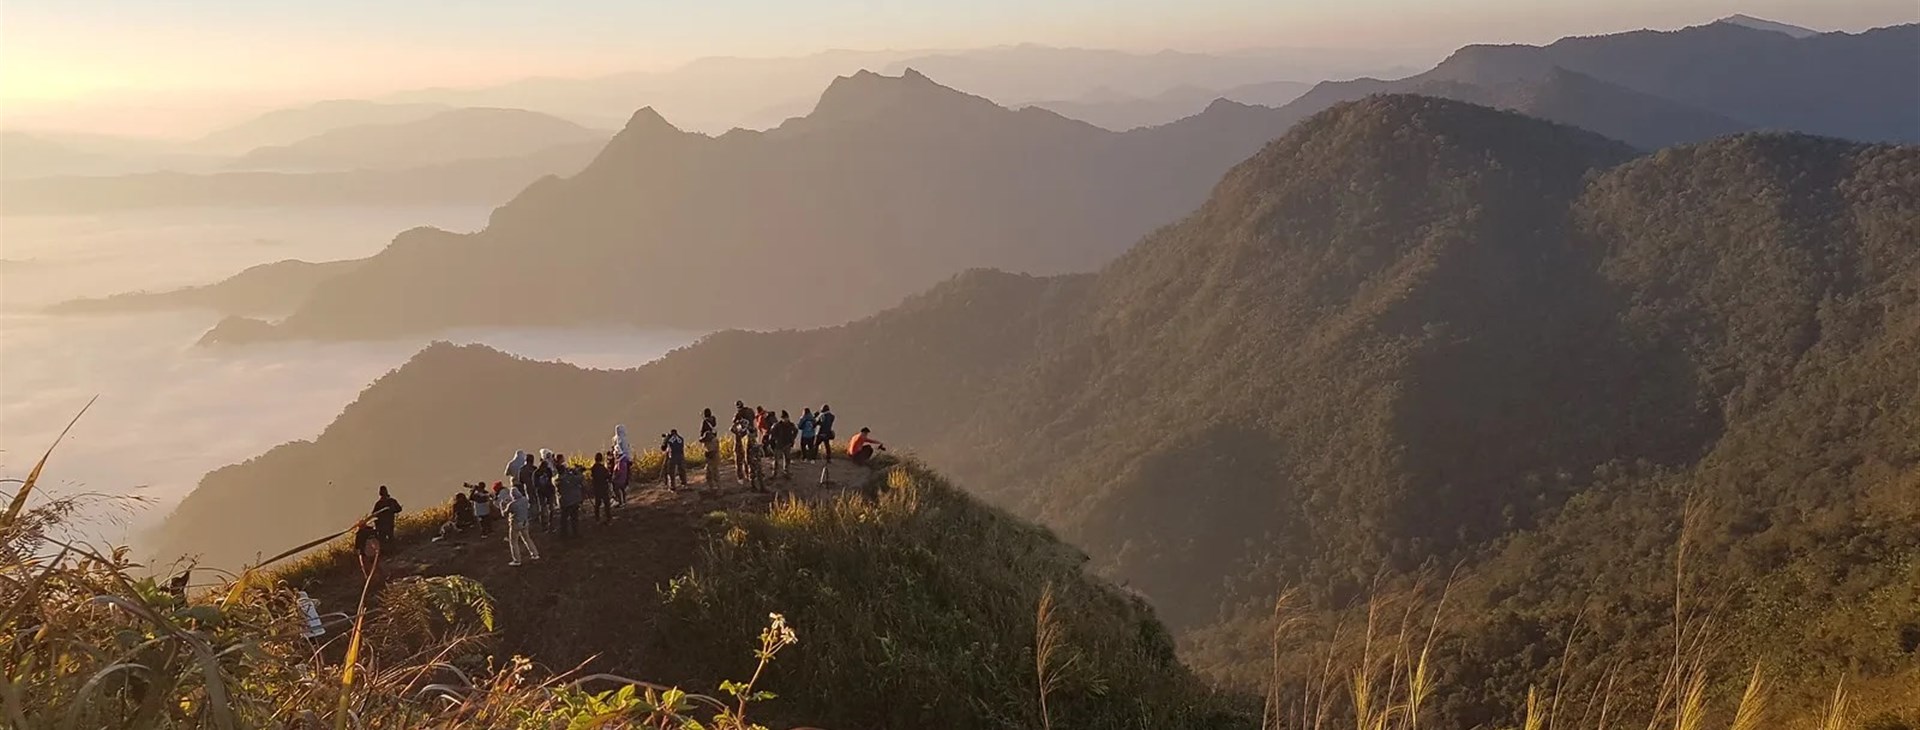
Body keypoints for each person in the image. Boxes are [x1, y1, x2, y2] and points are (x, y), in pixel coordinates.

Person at [503, 484, 540, 566]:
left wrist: (503, 505)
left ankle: (517, 560)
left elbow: (504, 514)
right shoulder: (524, 500)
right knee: (527, 538)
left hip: (515, 524)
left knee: (514, 542)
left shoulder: (512, 504)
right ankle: (535, 554)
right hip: (525, 522)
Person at [557, 460, 584, 538]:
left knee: (564, 518)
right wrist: (577, 471)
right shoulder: (569, 478)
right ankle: (575, 533)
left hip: (564, 501)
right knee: (574, 518)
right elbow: (580, 478)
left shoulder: (557, 479)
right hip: (573, 501)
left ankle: (564, 534)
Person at [532, 453, 557, 531]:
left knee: (550, 508)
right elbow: (535, 484)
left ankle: (550, 523)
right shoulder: (536, 473)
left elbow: (549, 480)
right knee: (543, 508)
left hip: (547, 491)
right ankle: (544, 524)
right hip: (542, 492)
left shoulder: (546, 471)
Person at [770, 411, 798, 478]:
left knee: (787, 459)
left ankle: (786, 472)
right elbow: (772, 433)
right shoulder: (777, 425)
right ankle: (774, 473)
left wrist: (792, 439)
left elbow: (796, 431)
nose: (786, 419)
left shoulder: (791, 425)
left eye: (786, 418)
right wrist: (774, 441)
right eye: (784, 418)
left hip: (787, 444)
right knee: (776, 460)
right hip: (779, 445)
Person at [590, 453, 614, 524]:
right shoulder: (603, 468)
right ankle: (608, 519)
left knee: (597, 504)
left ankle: (597, 518)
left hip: (596, 488)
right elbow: (608, 477)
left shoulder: (593, 468)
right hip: (604, 488)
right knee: (606, 504)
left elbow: (593, 476)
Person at [731, 411, 754, 481]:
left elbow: (732, 429)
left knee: (741, 461)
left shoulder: (741, 424)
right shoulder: (743, 423)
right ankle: (746, 476)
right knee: (744, 460)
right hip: (742, 444)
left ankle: (743, 476)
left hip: (741, 444)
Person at [699, 408, 720, 485]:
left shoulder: (705, 422)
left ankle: (715, 487)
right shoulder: (713, 420)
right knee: (714, 468)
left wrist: (702, 437)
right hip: (715, 443)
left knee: (712, 469)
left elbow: (701, 436)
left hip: (709, 445)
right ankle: (717, 488)